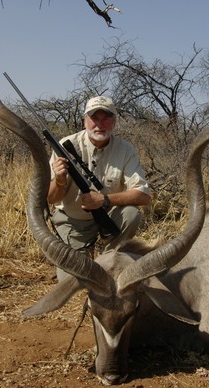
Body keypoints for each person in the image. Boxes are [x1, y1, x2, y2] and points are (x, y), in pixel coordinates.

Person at [47, 96, 151, 280]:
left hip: (109, 216)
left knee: (131, 214)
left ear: (114, 122)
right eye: (94, 118)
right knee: (71, 280)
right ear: (84, 121)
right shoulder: (65, 146)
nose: (99, 124)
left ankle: (111, 258)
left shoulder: (125, 149)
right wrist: (60, 180)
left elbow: (143, 196)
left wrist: (103, 200)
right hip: (74, 221)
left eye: (106, 118)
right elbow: (51, 198)